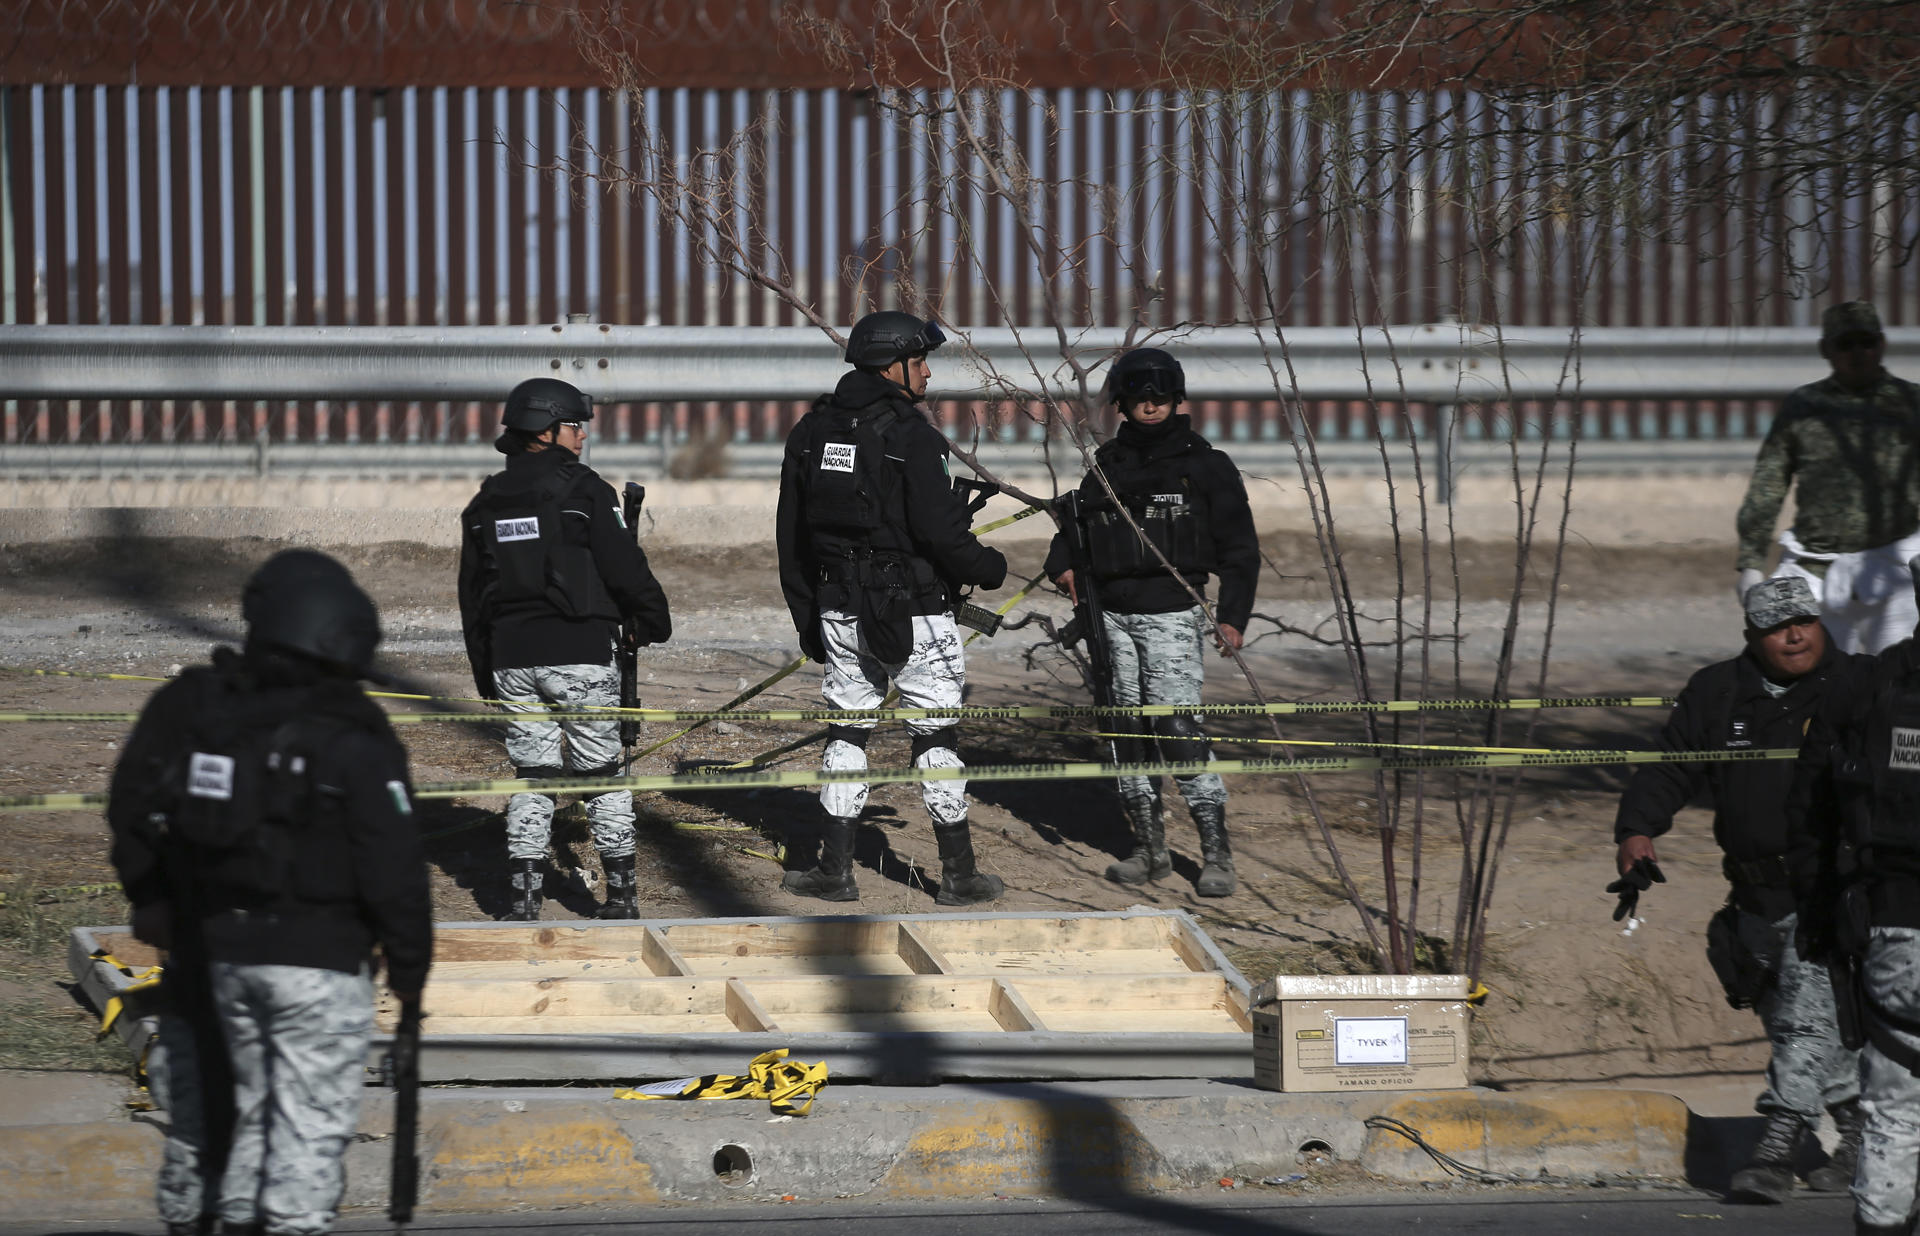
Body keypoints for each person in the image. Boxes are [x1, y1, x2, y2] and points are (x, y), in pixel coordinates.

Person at [106, 550, 433, 1236]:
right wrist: (408, 968)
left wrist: (152, 899)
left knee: (222, 1121)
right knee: (304, 1134)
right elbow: (392, 860)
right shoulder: (354, 729)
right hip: (319, 962)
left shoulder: (196, 704)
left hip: (210, 957)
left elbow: (132, 805)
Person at [1613, 576, 1871, 1204]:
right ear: (1753, 637)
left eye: (1806, 620)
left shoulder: (1862, 685)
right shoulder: (1717, 691)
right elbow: (1673, 766)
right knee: (1793, 1020)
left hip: (1831, 891)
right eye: (1780, 627)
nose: (1796, 634)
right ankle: (1863, 1138)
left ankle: (1776, 1149)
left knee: (1809, 1023)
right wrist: (1637, 831)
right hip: (1754, 896)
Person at [775, 310, 1009, 905]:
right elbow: (940, 535)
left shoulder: (810, 432)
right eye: (921, 360)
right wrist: (989, 569)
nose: (928, 372)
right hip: (918, 611)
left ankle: (835, 871)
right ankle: (957, 876)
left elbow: (791, 538)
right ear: (893, 365)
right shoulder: (912, 436)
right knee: (936, 736)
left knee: (847, 732)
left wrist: (809, 617)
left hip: (838, 610)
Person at [1042, 346, 1260, 898]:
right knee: (1124, 735)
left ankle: (1216, 855)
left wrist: (1233, 617)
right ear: (1122, 402)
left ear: (1176, 399)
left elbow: (1241, 548)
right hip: (1112, 618)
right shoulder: (1108, 465)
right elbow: (1077, 531)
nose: (1150, 405)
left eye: (1160, 396)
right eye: (1140, 396)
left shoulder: (1205, 464)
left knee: (1178, 731)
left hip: (1172, 615)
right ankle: (1149, 849)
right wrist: (1062, 564)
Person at [458, 378, 672, 921]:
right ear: (549, 430)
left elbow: (472, 595)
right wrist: (651, 618)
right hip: (579, 651)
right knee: (601, 773)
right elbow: (623, 563)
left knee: (534, 776)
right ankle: (620, 899)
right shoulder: (584, 491)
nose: (581, 436)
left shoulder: (486, 501)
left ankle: (524, 901)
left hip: (511, 659)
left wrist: (486, 671)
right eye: (576, 425)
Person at [1788, 558, 1920, 1236]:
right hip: (1890, 918)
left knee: (1895, 1105)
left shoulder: (1870, 687)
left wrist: (1819, 916)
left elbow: (1813, 812)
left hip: (1895, 933)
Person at [1737, 300, 1920, 654]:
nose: (1857, 352)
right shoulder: (1803, 407)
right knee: (1818, 687)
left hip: (1894, 567)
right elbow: (1769, 481)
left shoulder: (1910, 404)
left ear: (1881, 344)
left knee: (1900, 687)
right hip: (1815, 567)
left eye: (1865, 342)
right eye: (1845, 344)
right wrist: (1751, 560)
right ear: (1826, 349)